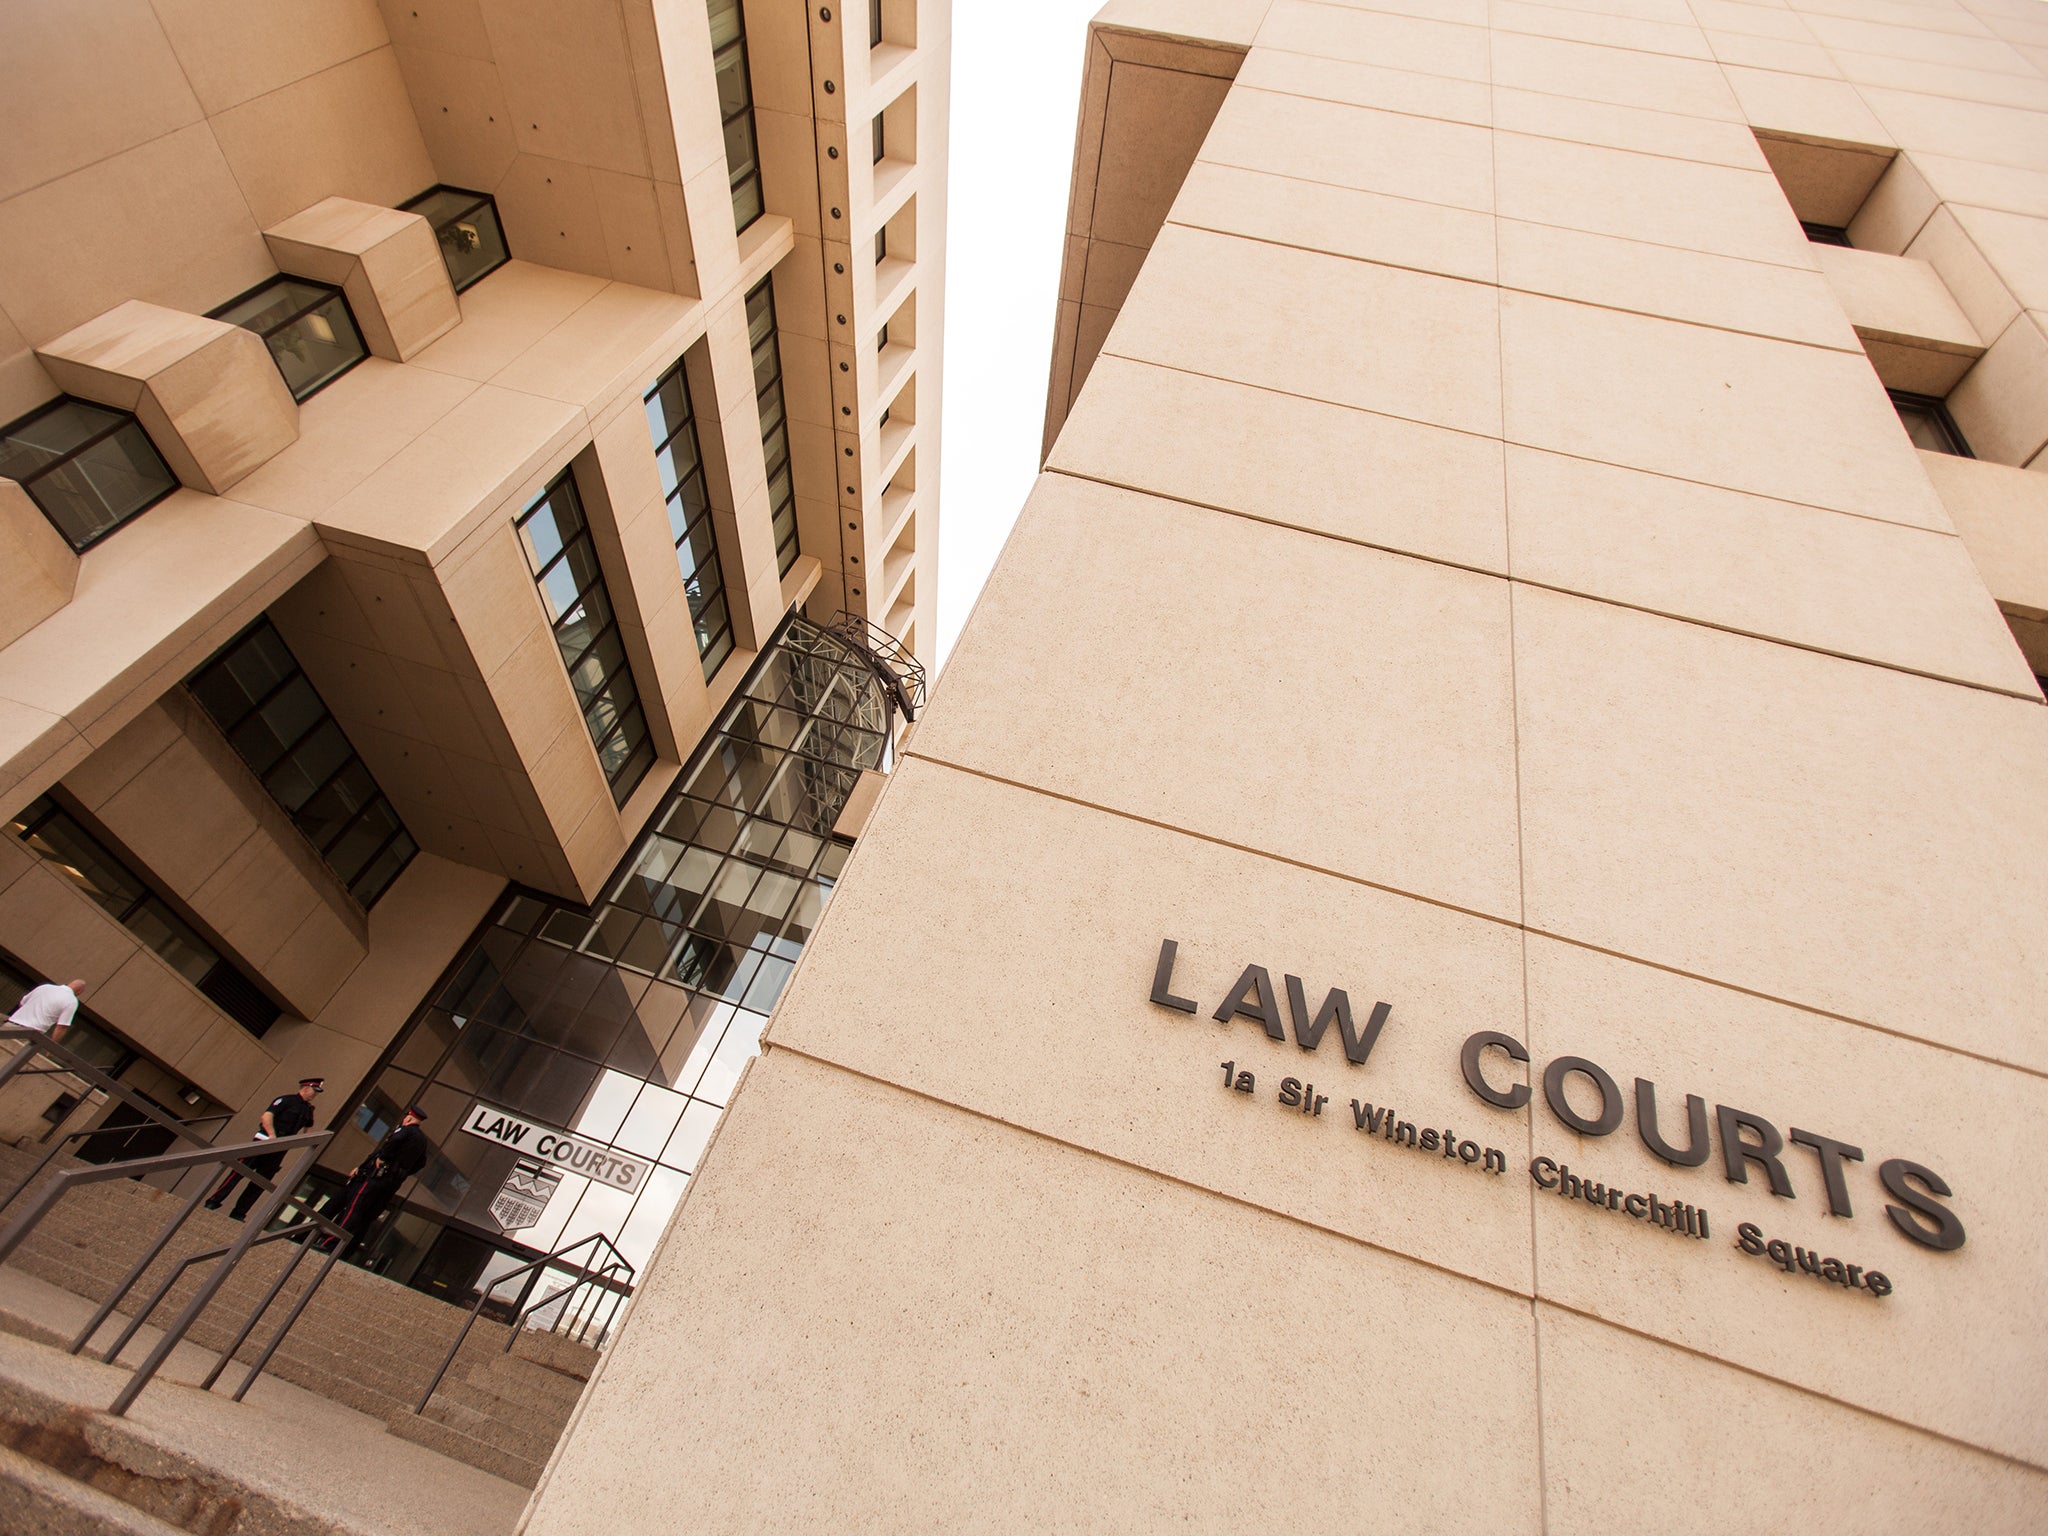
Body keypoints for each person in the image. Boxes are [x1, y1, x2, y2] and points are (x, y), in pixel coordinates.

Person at [204, 1077, 324, 1221]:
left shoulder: (308, 1110)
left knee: (260, 1182)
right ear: (305, 1088)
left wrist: (302, 1142)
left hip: (280, 1149)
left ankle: (239, 1213)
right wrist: (272, 1135)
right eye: (313, 1091)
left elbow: (308, 1129)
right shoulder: (286, 1100)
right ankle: (214, 1201)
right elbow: (267, 1116)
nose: (314, 1095)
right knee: (238, 1173)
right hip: (264, 1141)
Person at [326, 1106, 430, 1253]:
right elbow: (421, 1163)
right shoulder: (422, 1140)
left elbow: (392, 1143)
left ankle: (331, 1243)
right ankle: (346, 1250)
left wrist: (383, 1158)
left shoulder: (405, 1131)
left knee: (354, 1209)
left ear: (408, 1118)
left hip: (377, 1178)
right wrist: (402, 1171)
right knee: (366, 1216)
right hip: (391, 1183)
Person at [9, 978, 86, 1042]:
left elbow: (22, 1002)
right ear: (79, 991)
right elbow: (62, 1026)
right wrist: (52, 1046)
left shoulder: (45, 987)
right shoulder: (71, 1001)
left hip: (11, 1024)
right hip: (31, 1032)